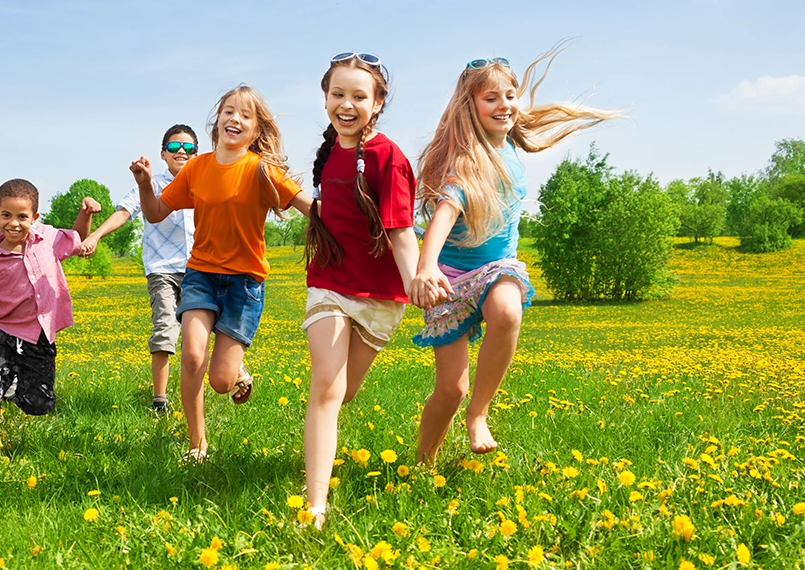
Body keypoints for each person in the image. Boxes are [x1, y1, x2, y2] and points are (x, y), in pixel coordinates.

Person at [409, 48, 619, 465]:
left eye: (510, 95)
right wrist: (426, 267)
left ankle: (479, 415)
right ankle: (421, 463)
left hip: (497, 268)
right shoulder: (464, 162)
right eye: (491, 98)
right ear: (470, 106)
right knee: (450, 390)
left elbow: (525, 122)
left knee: (507, 311)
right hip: (449, 278)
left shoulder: (509, 141)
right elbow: (445, 213)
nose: (504, 105)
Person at [132, 85, 312, 461]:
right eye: (229, 111)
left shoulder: (261, 170)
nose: (235, 118)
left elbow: (308, 207)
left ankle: (237, 371)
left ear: (257, 129)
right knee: (192, 355)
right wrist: (145, 184)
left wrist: (358, 221)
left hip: (244, 284)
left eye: (246, 115)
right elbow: (155, 212)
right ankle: (197, 444)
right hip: (201, 274)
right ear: (218, 119)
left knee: (220, 381)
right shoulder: (197, 168)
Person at [300, 53, 419, 528]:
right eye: (338, 94)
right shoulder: (329, 152)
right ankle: (315, 505)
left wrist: (417, 283)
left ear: (378, 102)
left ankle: (319, 450)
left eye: (358, 96)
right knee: (327, 387)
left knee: (344, 393)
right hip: (330, 282)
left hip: (381, 295)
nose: (346, 105)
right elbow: (328, 212)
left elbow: (401, 233)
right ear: (326, 98)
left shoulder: (389, 157)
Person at [0, 179, 100, 450]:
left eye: (22, 217)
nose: (13, 223)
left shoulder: (47, 239)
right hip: (3, 333)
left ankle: (10, 386)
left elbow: (77, 239)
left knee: (38, 403)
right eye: (6, 215)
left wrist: (86, 214)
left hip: (39, 335)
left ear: (34, 217)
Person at [80, 125, 198, 412]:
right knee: (165, 329)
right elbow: (124, 212)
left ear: (197, 154)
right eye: (174, 147)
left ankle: (203, 392)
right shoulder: (151, 185)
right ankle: (160, 401)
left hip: (198, 269)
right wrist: (95, 236)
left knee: (202, 331)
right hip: (162, 270)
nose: (181, 152)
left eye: (189, 148)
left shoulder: (203, 184)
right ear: (163, 154)